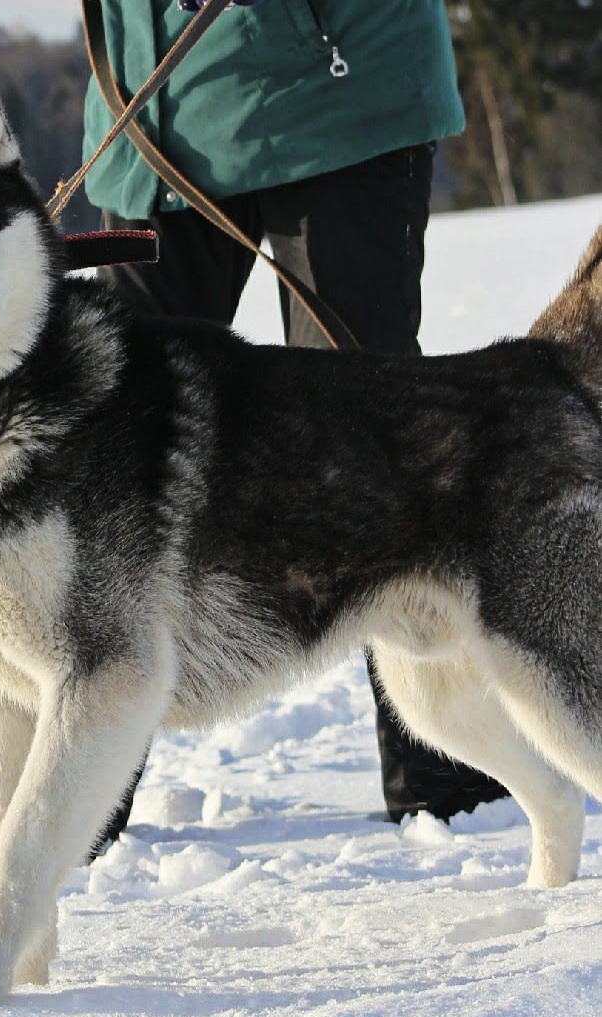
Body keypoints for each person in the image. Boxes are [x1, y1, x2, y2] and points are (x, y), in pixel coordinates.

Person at [81, 0, 509, 842]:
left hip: (339, 90)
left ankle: (457, 776)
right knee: (103, 451)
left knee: (373, 442)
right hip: (155, 111)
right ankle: (76, 799)